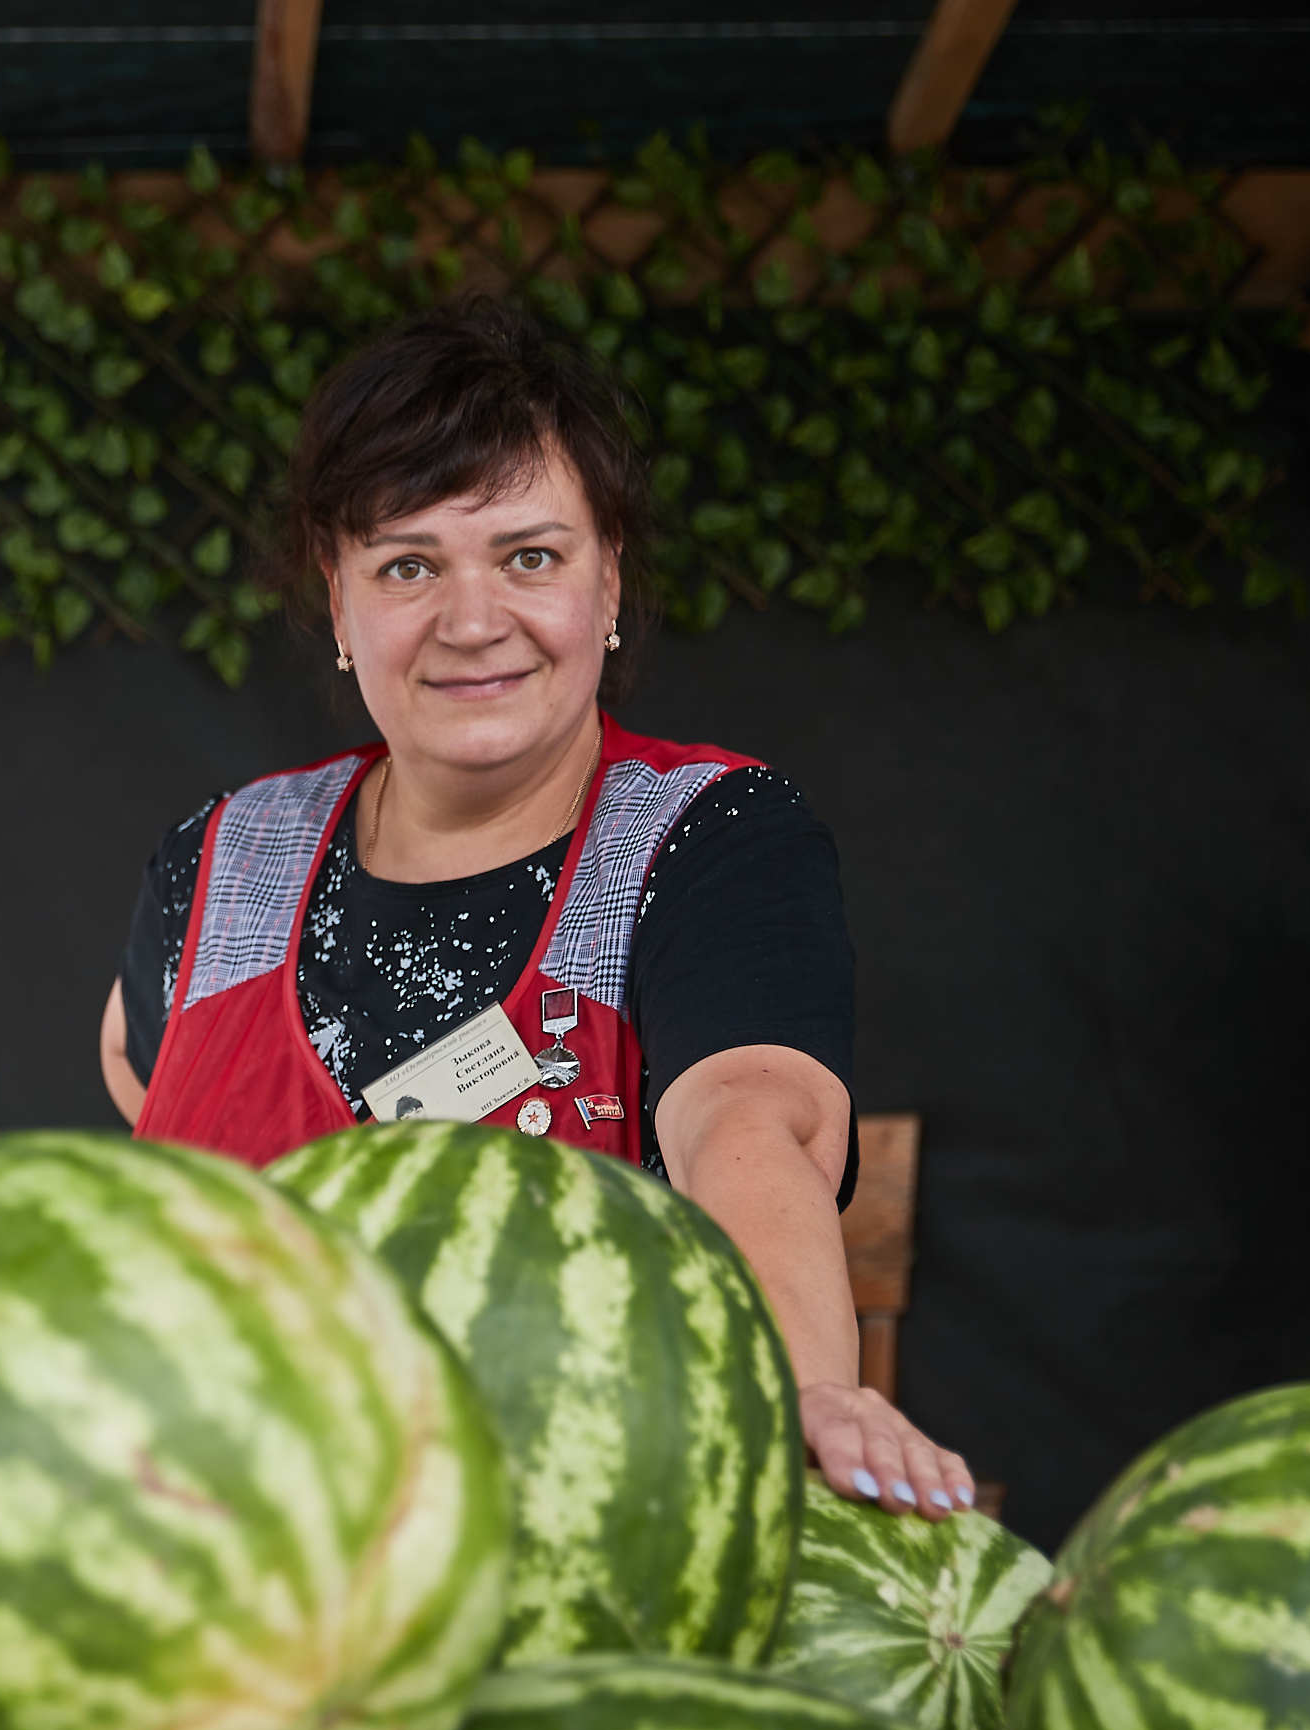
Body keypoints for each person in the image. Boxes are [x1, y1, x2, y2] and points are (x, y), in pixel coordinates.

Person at [99, 296, 971, 1519]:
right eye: (408, 564)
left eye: (531, 555)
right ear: (337, 600)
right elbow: (146, 1135)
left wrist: (803, 1390)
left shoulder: (704, 836)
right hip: (234, 1554)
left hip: (586, 1534)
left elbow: (750, 1121)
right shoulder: (218, 861)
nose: (472, 620)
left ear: (608, 581)